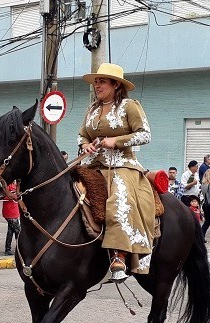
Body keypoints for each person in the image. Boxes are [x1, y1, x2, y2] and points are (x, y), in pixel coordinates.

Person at [78, 63, 157, 278]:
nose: (97, 85)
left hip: (123, 165)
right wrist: (85, 145)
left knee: (118, 197)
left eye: (102, 81)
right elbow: (82, 135)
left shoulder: (129, 106)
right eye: (96, 82)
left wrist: (116, 141)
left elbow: (145, 134)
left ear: (115, 84)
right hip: (93, 164)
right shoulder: (92, 109)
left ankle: (119, 255)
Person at [3, 181, 21, 255]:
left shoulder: (16, 185)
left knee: (10, 231)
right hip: (9, 210)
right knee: (18, 230)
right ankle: (19, 248)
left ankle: (8, 249)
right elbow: (4, 196)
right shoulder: (7, 186)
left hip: (15, 210)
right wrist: (13, 196)